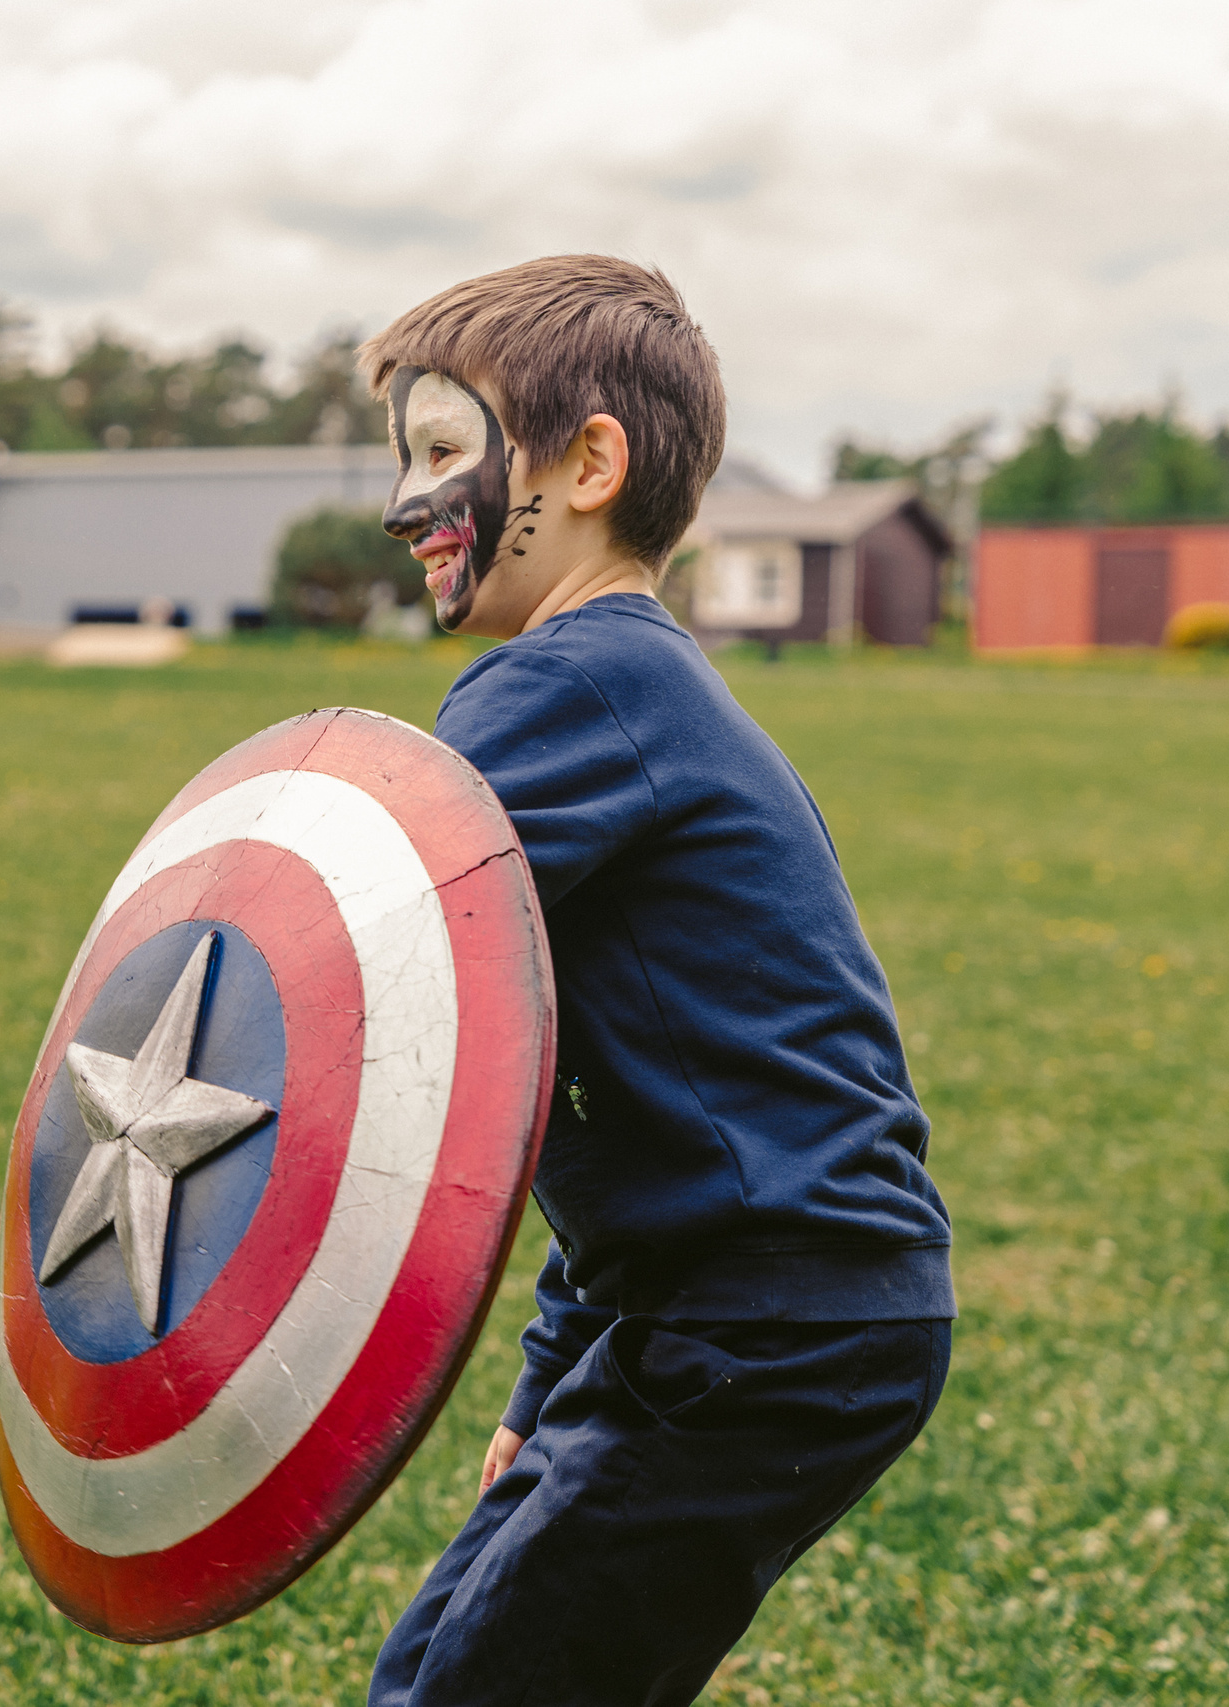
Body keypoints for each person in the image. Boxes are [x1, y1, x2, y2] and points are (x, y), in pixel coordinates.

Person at [362, 254, 955, 1707]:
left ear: (587, 464)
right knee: (440, 1672)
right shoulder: (628, 684)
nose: (404, 504)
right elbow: (606, 1094)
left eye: (444, 454)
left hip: (772, 1319)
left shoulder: (569, 687)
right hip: (743, 1303)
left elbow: (354, 953)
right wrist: (551, 1371)